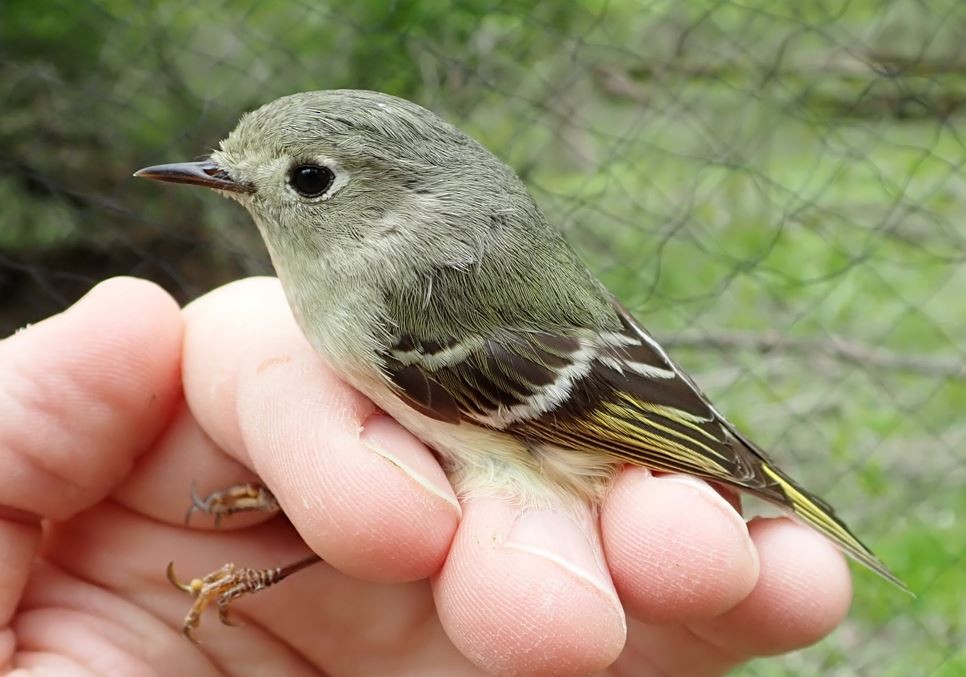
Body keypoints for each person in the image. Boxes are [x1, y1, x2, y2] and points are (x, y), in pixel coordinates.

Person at [0, 276, 852, 675]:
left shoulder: (392, 299)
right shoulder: (370, 290)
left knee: (398, 510)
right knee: (379, 501)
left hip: (578, 443)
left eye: (304, 178)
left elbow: (496, 443)